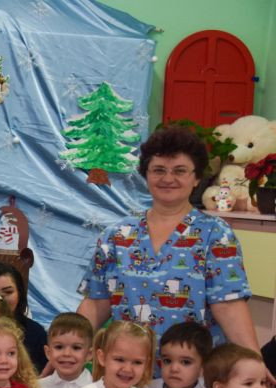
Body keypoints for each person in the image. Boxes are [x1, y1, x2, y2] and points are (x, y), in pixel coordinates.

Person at [76, 125, 260, 366]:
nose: (168, 178)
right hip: (126, 374)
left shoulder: (216, 234)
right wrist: (69, 349)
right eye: (159, 170)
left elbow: (229, 306)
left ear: (196, 178)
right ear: (146, 174)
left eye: (180, 171)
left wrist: (255, 363)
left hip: (192, 377)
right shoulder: (116, 235)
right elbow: (96, 302)